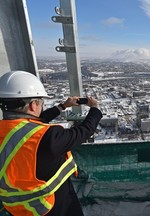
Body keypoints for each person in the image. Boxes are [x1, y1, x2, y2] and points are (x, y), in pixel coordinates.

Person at [0, 71, 103, 216]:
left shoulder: (7, 130)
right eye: (40, 101)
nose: (41, 105)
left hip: (17, 207)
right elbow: (84, 131)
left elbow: (31, 122)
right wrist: (95, 108)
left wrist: (63, 106)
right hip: (49, 206)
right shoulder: (48, 137)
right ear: (32, 105)